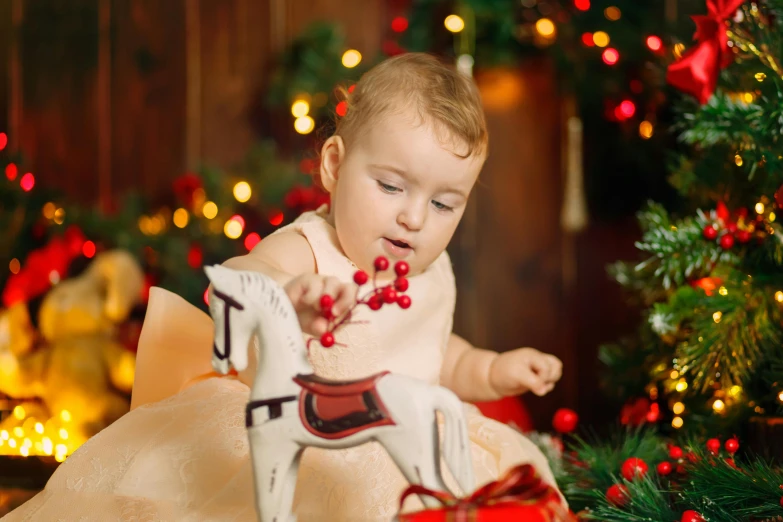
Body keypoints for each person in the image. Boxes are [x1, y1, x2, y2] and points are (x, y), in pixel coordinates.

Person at [3, 53, 563, 522]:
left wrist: (490, 369)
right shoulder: (309, 247)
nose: (415, 218)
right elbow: (244, 281)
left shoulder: (433, 272)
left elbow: (437, 356)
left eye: (444, 203)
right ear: (334, 166)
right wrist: (289, 296)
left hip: (399, 433)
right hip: (298, 430)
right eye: (392, 186)